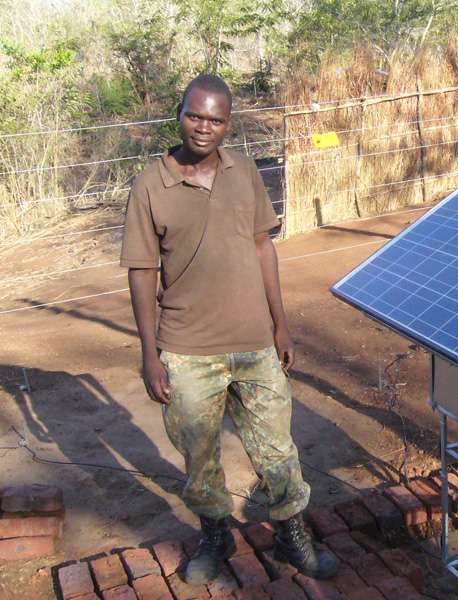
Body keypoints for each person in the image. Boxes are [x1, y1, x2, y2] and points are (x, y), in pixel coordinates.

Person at [120, 74, 338, 584]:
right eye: (195, 115)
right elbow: (141, 271)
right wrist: (150, 354)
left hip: (255, 344)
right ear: (179, 114)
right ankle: (215, 534)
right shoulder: (151, 183)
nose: (204, 128)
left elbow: (264, 247)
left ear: (228, 124)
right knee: (200, 456)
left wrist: (281, 326)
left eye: (215, 120)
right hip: (187, 349)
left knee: (278, 449)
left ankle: (292, 534)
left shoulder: (243, 173)